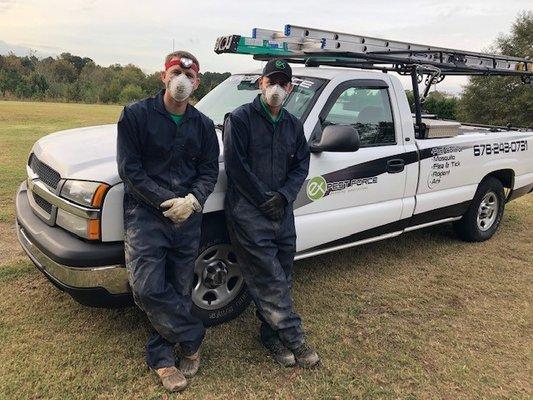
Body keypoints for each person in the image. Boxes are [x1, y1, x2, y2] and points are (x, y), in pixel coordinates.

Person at [116, 51, 219, 392]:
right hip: (146, 215)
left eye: (189, 76)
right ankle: (192, 335)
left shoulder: (203, 126)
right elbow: (130, 171)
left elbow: (207, 171)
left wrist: (193, 200)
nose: (182, 81)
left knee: (177, 287)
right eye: (176, 72)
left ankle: (162, 357)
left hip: (187, 219)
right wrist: (165, 201)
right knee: (145, 286)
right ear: (163, 76)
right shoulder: (136, 116)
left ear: (197, 82)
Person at [223, 58, 319, 368]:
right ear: (261, 83)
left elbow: (301, 164)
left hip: (282, 213)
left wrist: (284, 195)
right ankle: (294, 338)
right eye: (271, 81)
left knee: (283, 274)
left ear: (290, 88)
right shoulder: (239, 119)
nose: (276, 87)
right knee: (269, 278)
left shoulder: (293, 124)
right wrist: (264, 198)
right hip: (248, 213)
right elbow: (236, 166)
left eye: (283, 82)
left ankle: (270, 334)